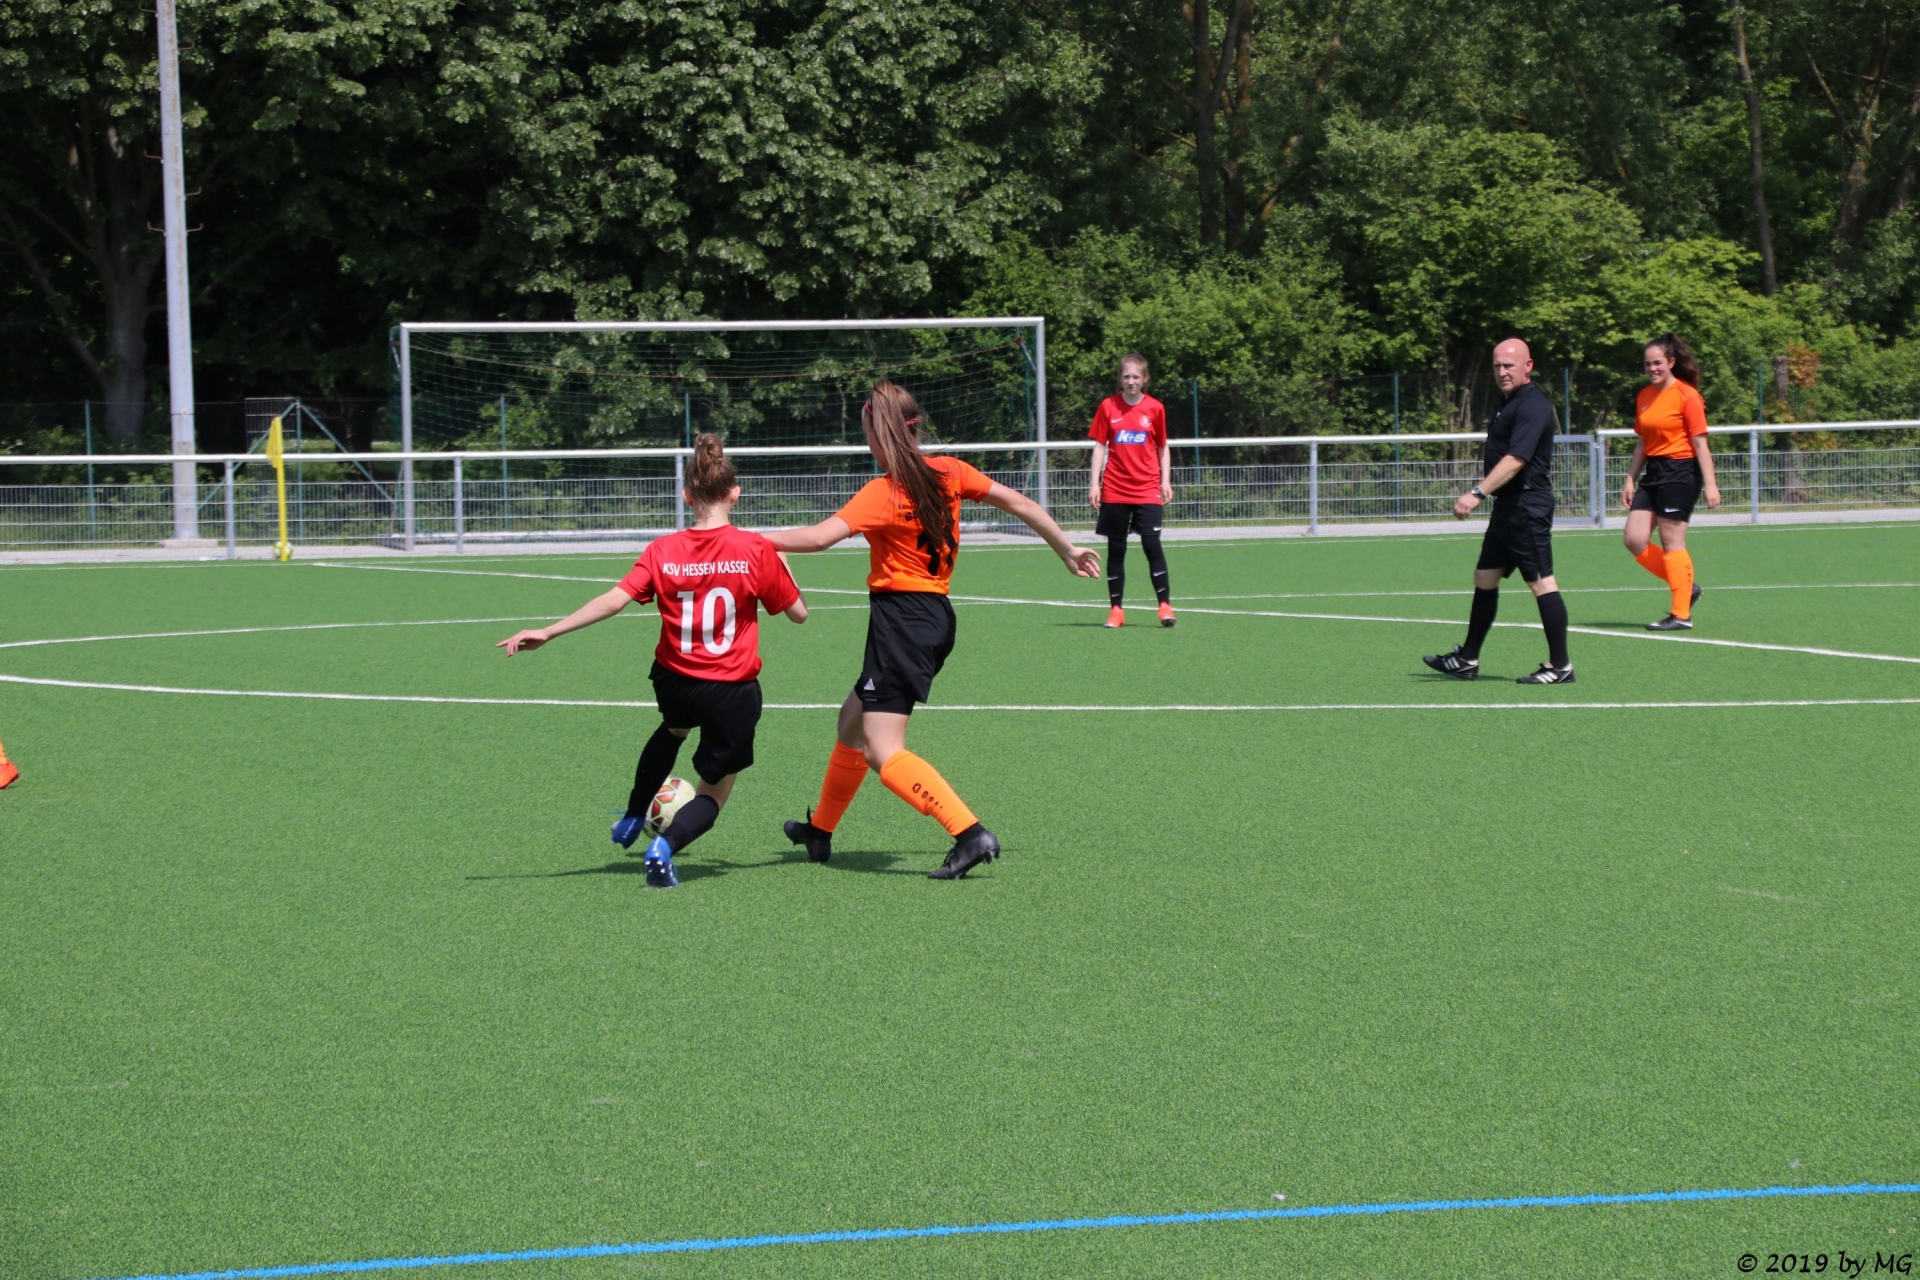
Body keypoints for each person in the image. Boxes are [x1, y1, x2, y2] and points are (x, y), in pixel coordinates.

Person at [767, 381, 1100, 879]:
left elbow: (817, 538)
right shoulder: (951, 471)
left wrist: (745, 540)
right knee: (851, 722)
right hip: (934, 616)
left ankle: (969, 833)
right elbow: (1023, 505)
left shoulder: (883, 492)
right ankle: (820, 832)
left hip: (902, 622)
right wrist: (1067, 549)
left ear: (878, 434)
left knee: (883, 749)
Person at [496, 434, 807, 888]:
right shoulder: (755, 549)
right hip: (729, 688)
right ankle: (664, 847)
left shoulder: (661, 550)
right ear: (735, 494)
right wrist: (782, 558)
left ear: (686, 496)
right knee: (715, 791)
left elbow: (614, 600)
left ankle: (631, 816)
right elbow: (799, 614)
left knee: (674, 728)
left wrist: (550, 630)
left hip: (674, 680)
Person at [1423, 338, 1575, 684]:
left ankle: (1561, 666)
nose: (1502, 372)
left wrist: (1477, 492)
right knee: (1485, 577)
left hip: (1527, 506)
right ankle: (1467, 659)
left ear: (1528, 366)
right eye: (1497, 366)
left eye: (1509, 365)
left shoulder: (1533, 405)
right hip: (1508, 507)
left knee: (1542, 582)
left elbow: (1517, 459)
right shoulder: (1508, 403)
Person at [1623, 332, 1720, 630]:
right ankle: (1686, 587)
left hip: (1681, 471)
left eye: (1657, 363)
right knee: (1634, 539)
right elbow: (1642, 443)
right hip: (1654, 472)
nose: (1652, 368)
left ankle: (1681, 615)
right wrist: (1630, 479)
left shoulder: (1687, 395)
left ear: (1671, 362)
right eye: (1647, 364)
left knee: (1671, 541)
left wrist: (1711, 484)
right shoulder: (1644, 396)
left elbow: (1700, 444)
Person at [1088, 353, 1176, 628]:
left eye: (1136, 376)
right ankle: (1116, 611)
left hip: (1147, 488)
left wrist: (1165, 481)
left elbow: (1162, 447)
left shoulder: (1155, 408)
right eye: (1126, 376)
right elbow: (1100, 446)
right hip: (1115, 489)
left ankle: (1165, 606)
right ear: (1119, 377)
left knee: (1152, 545)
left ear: (1145, 379)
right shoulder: (1108, 406)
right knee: (1117, 549)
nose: (1131, 381)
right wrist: (1094, 483)